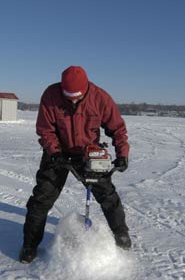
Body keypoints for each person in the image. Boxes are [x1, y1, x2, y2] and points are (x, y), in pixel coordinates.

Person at [20, 66, 131, 263]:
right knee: (41, 199)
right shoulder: (51, 95)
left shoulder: (100, 98)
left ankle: (121, 234)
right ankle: (30, 245)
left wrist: (122, 154)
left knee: (107, 195)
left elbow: (117, 128)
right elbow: (45, 129)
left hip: (88, 152)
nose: (72, 100)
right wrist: (54, 153)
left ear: (85, 88)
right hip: (58, 153)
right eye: (68, 96)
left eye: (77, 97)